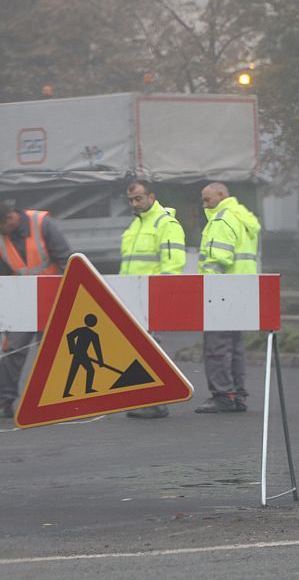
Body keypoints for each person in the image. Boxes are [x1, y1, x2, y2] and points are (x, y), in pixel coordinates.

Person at [0, 202, 73, 418]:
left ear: (10, 217)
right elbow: (1, 274)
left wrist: (65, 295)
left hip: (50, 297)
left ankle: (61, 399)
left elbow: (65, 259)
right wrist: (1, 308)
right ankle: (5, 401)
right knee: (13, 349)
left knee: (53, 350)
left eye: (1, 228)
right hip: (20, 301)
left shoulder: (42, 224)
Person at [119, 179, 186, 419]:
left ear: (151, 197)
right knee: (140, 349)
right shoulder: (135, 225)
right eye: (131, 200)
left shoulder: (165, 224)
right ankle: (149, 400)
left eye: (138, 198)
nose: (134, 203)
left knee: (150, 350)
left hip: (150, 296)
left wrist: (163, 297)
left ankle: (156, 401)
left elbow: (173, 264)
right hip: (131, 297)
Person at [195, 182, 261, 414]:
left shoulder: (222, 220)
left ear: (221, 195)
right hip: (242, 289)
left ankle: (222, 395)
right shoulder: (242, 217)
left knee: (216, 346)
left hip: (220, 291)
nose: (204, 204)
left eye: (207, 199)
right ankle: (238, 394)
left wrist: (207, 290)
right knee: (235, 345)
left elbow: (217, 260)